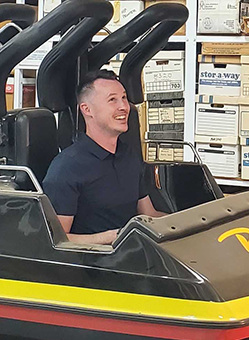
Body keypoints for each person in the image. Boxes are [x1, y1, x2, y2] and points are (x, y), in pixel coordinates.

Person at [43, 69, 165, 245]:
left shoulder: (128, 155)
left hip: (135, 254)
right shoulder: (67, 167)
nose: (124, 106)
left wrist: (186, 223)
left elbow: (148, 214)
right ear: (87, 109)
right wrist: (107, 238)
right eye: (112, 100)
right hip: (94, 265)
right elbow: (55, 240)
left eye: (124, 98)